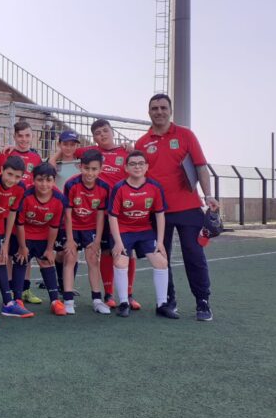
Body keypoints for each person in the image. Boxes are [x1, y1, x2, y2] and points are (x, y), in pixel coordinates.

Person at [135, 94, 219, 321]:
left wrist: (208, 195)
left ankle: (203, 302)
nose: (159, 112)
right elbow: (137, 172)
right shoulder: (142, 142)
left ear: (170, 110)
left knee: (194, 255)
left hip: (188, 208)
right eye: (154, 108)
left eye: (163, 107)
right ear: (149, 112)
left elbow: (201, 167)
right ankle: (168, 300)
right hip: (157, 211)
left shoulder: (186, 135)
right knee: (162, 257)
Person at [74, 119, 139, 310]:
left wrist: (130, 147)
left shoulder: (125, 152)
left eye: (105, 131)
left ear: (112, 131)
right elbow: (67, 150)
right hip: (99, 212)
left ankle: (128, 294)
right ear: (94, 138)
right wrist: (53, 159)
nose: (102, 135)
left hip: (123, 211)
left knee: (128, 252)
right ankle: (109, 294)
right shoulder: (91, 152)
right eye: (97, 133)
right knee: (105, 251)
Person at [108, 150, 175, 319]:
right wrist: (118, 242)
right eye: (132, 164)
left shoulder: (154, 186)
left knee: (161, 262)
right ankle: (124, 303)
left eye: (140, 164)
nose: (137, 167)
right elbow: (112, 216)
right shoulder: (119, 188)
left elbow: (160, 214)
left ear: (146, 167)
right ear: (126, 168)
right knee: (121, 261)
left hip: (145, 231)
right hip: (123, 231)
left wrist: (160, 242)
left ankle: (162, 305)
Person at [0, 120, 44, 304]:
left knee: (24, 250)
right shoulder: (5, 154)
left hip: (28, 211)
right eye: (20, 136)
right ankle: (9, 290)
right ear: (14, 137)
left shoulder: (36, 158)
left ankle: (25, 289)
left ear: (33, 137)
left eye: (27, 135)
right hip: (6, 211)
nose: (24, 139)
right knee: (6, 250)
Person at [60, 149, 111, 315]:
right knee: (70, 257)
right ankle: (68, 300)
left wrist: (97, 241)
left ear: (100, 169)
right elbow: (67, 215)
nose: (90, 173)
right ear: (80, 167)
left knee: (92, 259)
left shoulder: (104, 187)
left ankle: (97, 300)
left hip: (90, 228)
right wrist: (69, 238)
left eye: (94, 169)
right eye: (86, 168)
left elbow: (100, 216)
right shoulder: (71, 184)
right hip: (72, 226)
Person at [0, 156, 33, 318]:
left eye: (17, 177)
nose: (12, 180)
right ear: (2, 170)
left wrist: (6, 241)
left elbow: (12, 214)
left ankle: (8, 304)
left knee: (1, 259)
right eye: (9, 174)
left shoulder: (20, 188)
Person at [13, 162, 67, 316]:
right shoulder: (26, 196)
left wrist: (50, 249)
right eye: (40, 180)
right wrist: (22, 247)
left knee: (46, 261)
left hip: (44, 236)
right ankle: (17, 300)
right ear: (33, 180)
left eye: (48, 180)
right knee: (21, 259)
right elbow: (20, 224)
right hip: (26, 235)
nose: (44, 184)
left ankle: (55, 301)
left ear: (54, 181)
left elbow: (54, 226)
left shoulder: (59, 200)